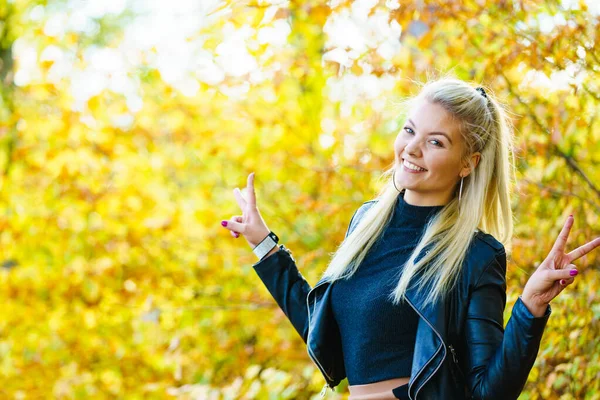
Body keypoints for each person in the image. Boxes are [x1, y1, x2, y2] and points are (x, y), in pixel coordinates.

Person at [220, 78, 600, 399]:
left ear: (468, 163)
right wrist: (264, 245)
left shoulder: (475, 254)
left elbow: (487, 391)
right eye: (409, 130)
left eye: (436, 142)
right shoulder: (366, 221)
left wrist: (530, 307)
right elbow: (321, 332)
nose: (413, 148)